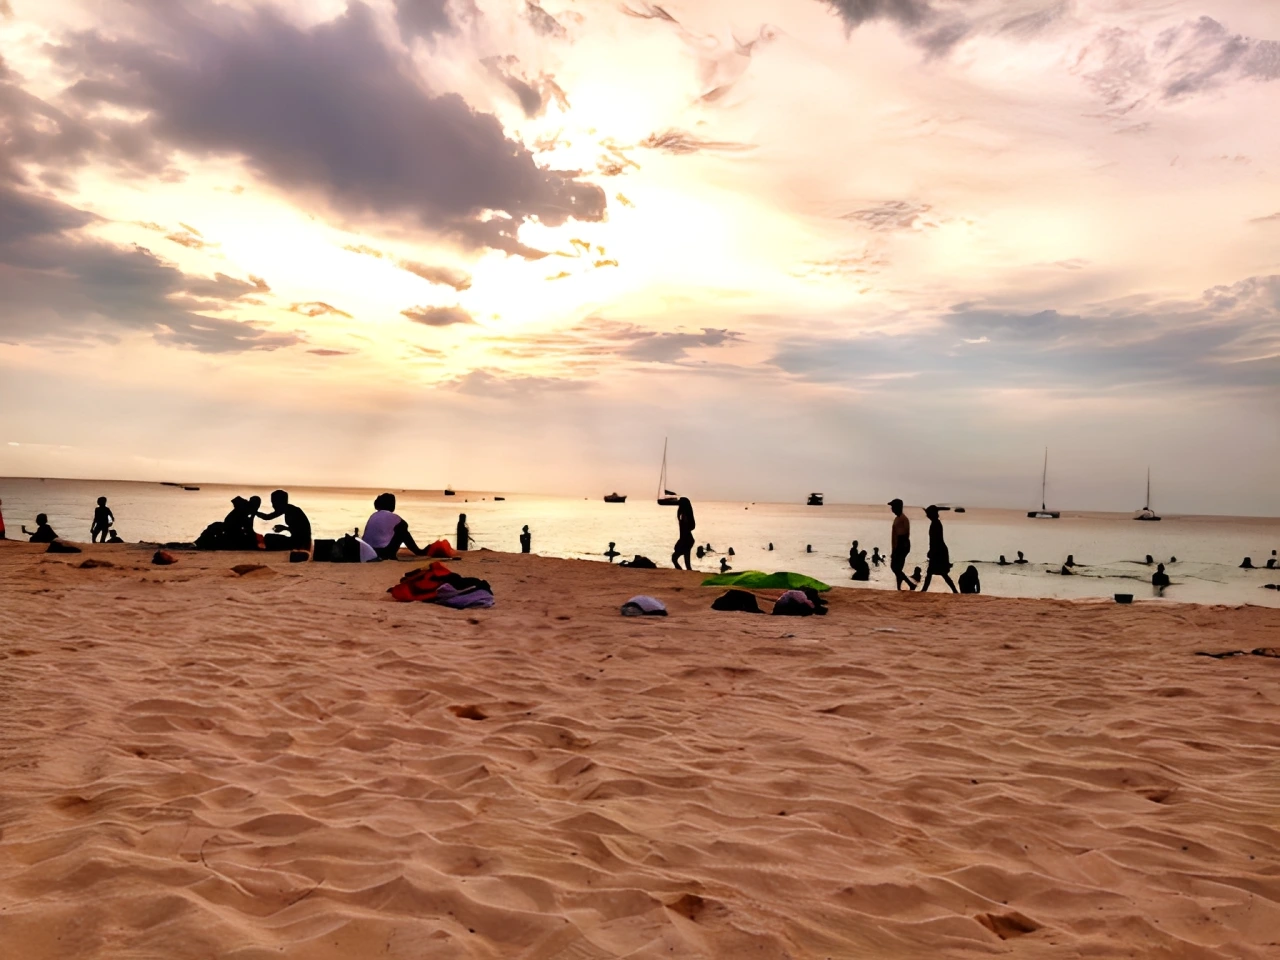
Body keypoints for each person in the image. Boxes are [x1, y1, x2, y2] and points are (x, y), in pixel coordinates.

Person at [362, 493, 427, 560]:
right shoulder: (392, 516)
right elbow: (404, 525)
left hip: (368, 551)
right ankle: (418, 552)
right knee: (402, 532)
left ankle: (417, 551)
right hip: (381, 552)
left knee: (398, 529)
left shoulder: (374, 515)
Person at [921, 504, 958, 593]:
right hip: (939, 550)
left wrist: (931, 551)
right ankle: (954, 590)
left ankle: (924, 590)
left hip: (938, 551)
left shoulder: (935, 524)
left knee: (936, 572)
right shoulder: (935, 523)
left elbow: (936, 540)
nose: (927, 516)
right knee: (938, 572)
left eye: (929, 514)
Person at [888, 498, 914, 591]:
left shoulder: (903, 519)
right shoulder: (897, 518)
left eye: (893, 507)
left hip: (902, 545)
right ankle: (899, 586)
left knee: (895, 567)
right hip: (898, 545)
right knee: (897, 568)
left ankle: (910, 584)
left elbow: (904, 535)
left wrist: (897, 549)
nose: (892, 509)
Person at [672, 497, 695, 570]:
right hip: (688, 539)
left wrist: (681, 541)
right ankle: (684, 572)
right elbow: (691, 527)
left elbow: (684, 530)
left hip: (686, 539)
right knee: (686, 560)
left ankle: (680, 571)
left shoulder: (684, 515)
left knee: (674, 558)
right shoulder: (686, 514)